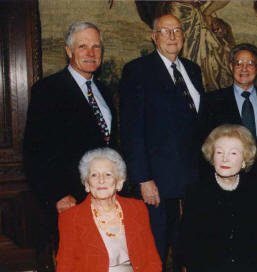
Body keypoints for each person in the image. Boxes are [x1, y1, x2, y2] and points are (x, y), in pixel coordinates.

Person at [24, 21, 117, 270]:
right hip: (70, 201)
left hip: (106, 200)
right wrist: (56, 195)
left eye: (96, 46)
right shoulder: (48, 90)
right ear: (68, 50)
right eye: (83, 46)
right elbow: (34, 153)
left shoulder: (104, 91)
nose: (91, 53)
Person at [119, 14, 204, 270]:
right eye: (165, 31)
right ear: (153, 36)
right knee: (155, 251)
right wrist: (143, 179)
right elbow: (131, 130)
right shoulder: (137, 71)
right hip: (156, 183)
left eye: (177, 30)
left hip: (192, 181)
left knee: (187, 249)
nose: (172, 36)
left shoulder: (192, 69)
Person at [181, 124, 257, 272]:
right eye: (219, 152)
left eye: (233, 153)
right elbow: (188, 248)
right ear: (212, 157)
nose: (225, 159)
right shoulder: (197, 193)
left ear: (244, 159)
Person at [57, 147, 161, 272]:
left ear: (119, 182)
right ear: (87, 184)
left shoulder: (137, 209)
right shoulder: (70, 218)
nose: (101, 180)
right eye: (94, 175)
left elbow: (152, 259)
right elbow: (65, 266)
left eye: (108, 174)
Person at [201, 43, 257, 193]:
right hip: (226, 181)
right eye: (238, 63)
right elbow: (205, 143)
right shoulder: (212, 101)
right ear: (231, 67)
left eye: (250, 64)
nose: (244, 69)